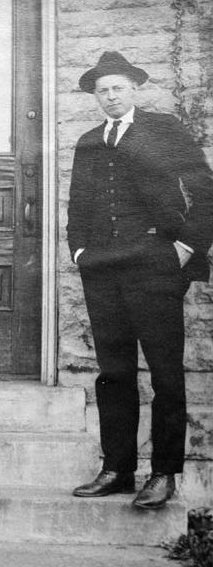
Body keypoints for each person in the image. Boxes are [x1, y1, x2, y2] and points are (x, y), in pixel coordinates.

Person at [67, 51, 213, 509]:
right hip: (103, 267)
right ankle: (118, 468)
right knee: (113, 372)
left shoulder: (164, 130)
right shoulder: (89, 141)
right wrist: (79, 250)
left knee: (166, 372)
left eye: (117, 88)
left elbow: (206, 192)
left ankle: (164, 474)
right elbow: (77, 206)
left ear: (133, 90)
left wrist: (186, 246)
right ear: (95, 96)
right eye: (102, 90)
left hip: (154, 262)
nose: (110, 96)